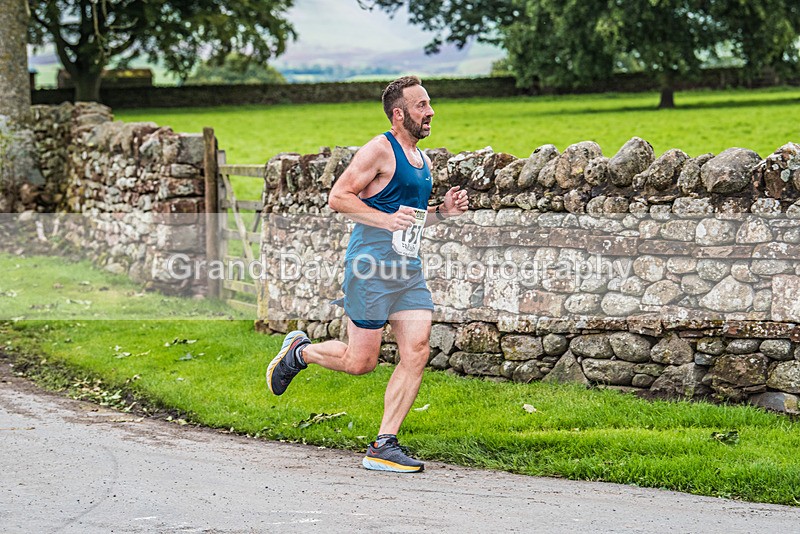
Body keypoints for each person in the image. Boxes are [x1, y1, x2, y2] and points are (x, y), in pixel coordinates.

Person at [266, 75, 469, 473]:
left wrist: (442, 213)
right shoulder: (379, 149)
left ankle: (383, 444)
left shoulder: (421, 160)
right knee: (361, 362)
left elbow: (406, 221)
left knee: (417, 349)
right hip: (370, 270)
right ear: (399, 114)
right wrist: (384, 218)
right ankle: (299, 352)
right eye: (421, 106)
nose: (430, 112)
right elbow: (338, 197)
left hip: (407, 272)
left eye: (429, 104)